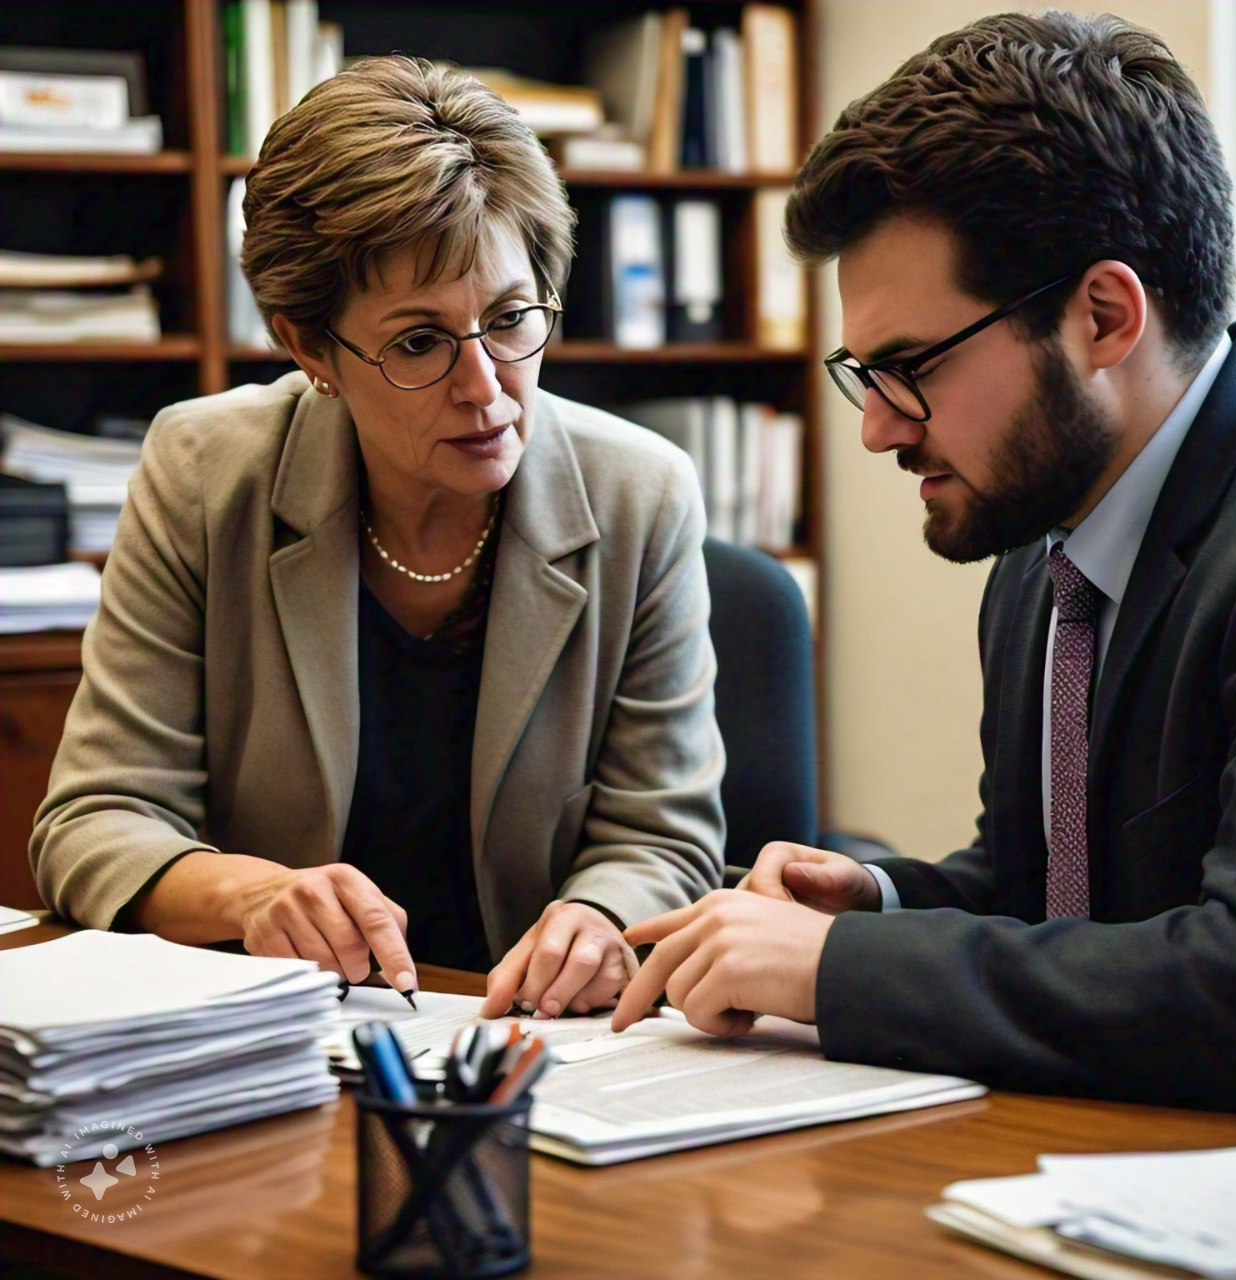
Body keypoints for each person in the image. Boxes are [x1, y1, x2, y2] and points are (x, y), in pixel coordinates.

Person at [613, 11, 1236, 1113]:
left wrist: (833, 972)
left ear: (1102, 315)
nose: (876, 428)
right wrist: (870, 902)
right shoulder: (1045, 548)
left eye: (906, 365)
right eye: (861, 373)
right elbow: (1062, 899)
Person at [31, 57, 724, 1018]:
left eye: (510, 318)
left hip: (530, 1041)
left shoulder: (641, 493)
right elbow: (93, 820)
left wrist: (601, 916)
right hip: (278, 1035)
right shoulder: (204, 473)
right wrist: (256, 893)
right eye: (417, 342)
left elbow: (665, 837)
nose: (485, 386)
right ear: (311, 349)